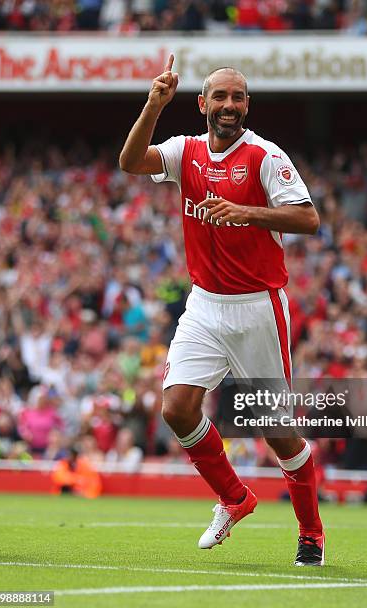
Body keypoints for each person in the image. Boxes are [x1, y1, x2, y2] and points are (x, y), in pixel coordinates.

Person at [119, 54, 324, 566]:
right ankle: (234, 498)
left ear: (247, 105)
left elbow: (309, 219)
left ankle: (311, 532)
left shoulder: (265, 156)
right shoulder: (184, 151)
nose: (229, 105)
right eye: (220, 96)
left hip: (258, 307)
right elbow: (129, 162)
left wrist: (248, 213)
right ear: (202, 103)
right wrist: (152, 104)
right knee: (176, 408)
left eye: (237, 97)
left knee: (276, 431)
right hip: (205, 304)